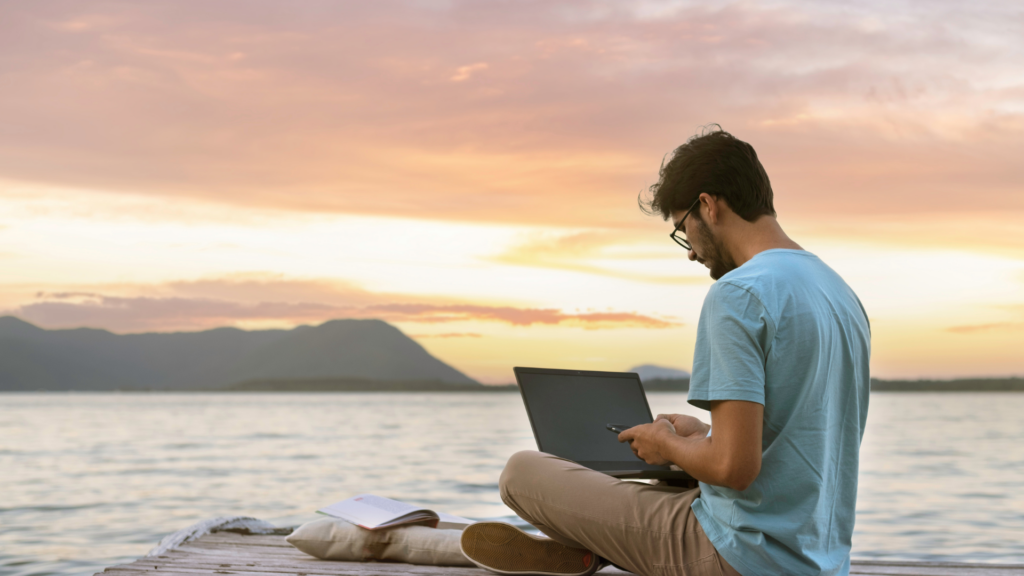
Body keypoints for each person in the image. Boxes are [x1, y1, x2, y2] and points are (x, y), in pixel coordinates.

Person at [459, 125, 871, 576]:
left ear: (708, 206)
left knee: (521, 473)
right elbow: (799, 439)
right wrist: (703, 436)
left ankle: (591, 543)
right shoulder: (839, 293)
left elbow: (734, 468)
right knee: (667, 486)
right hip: (819, 561)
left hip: (739, 555)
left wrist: (668, 445)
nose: (691, 252)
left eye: (682, 230)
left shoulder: (739, 293)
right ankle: (591, 543)